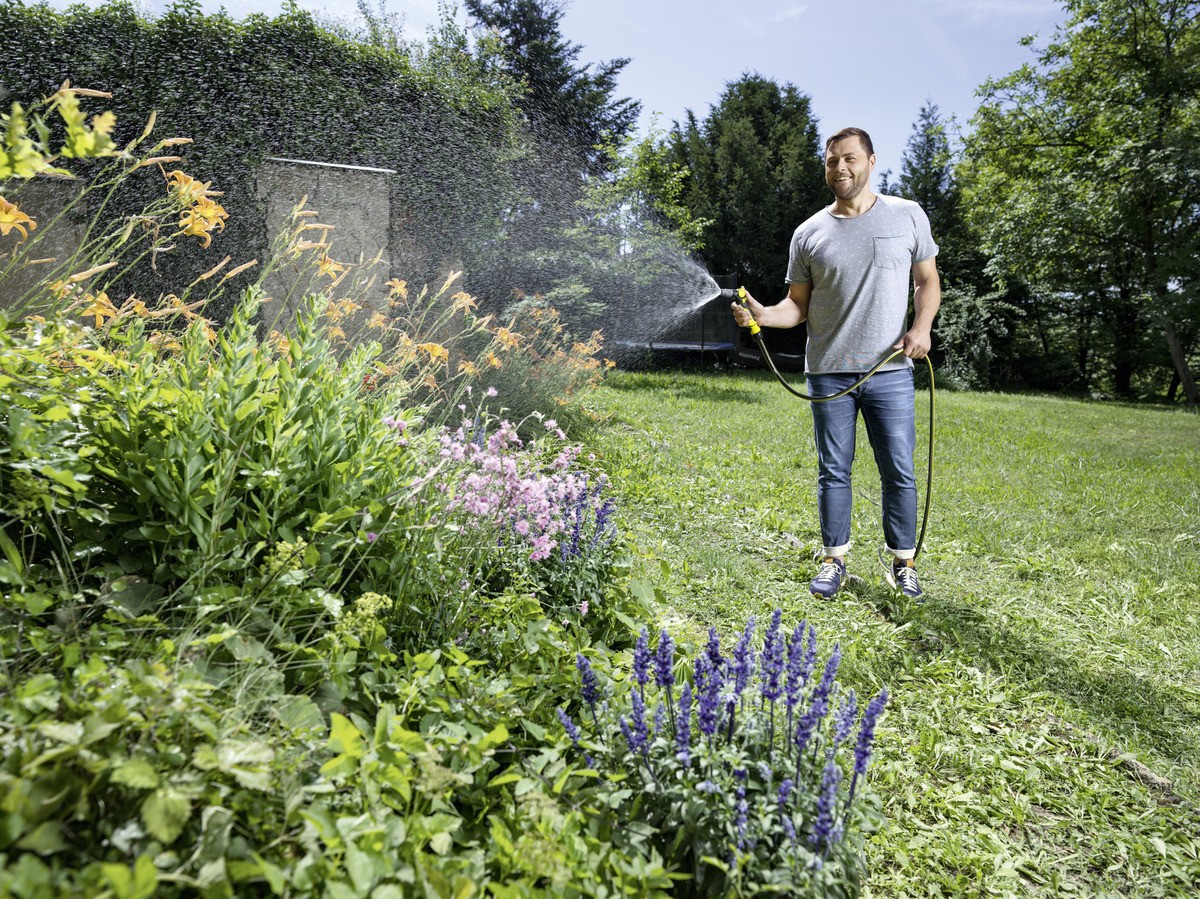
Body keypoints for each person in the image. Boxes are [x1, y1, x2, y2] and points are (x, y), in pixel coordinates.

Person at [731, 126, 941, 599]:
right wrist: (763, 315)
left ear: (870, 160)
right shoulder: (809, 233)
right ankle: (834, 560)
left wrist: (922, 328)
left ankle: (903, 563)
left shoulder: (907, 216)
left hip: (889, 370)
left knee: (899, 469)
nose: (840, 168)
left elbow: (927, 282)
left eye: (849, 158)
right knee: (834, 470)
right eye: (831, 161)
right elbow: (796, 307)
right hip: (828, 371)